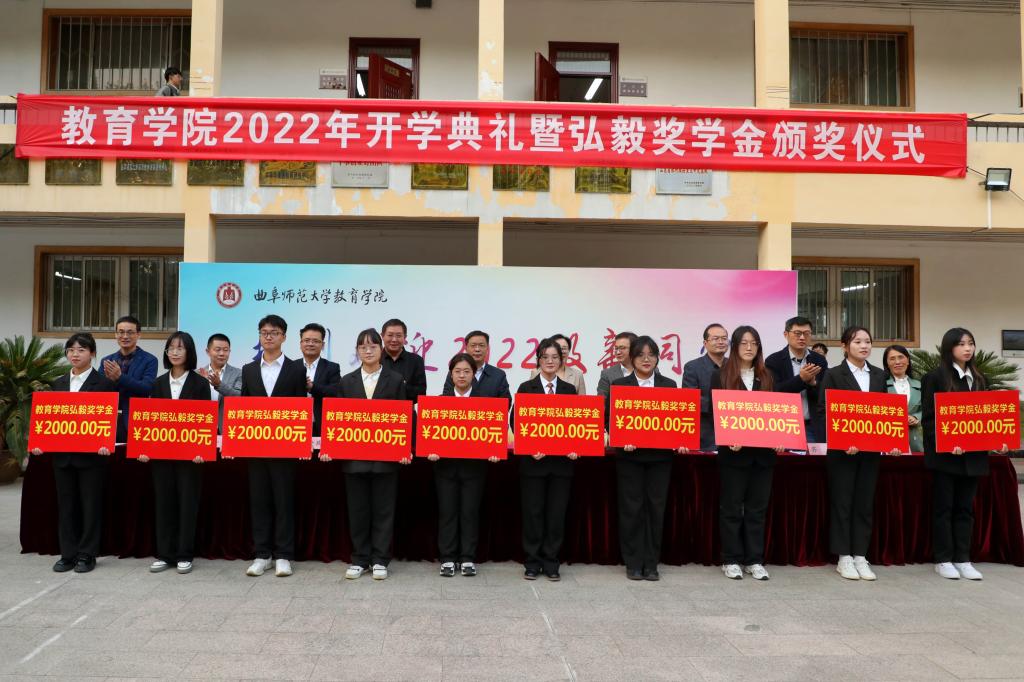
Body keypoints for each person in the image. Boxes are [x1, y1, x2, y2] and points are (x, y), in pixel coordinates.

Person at [319, 329, 410, 581]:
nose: (368, 351)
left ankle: (380, 559)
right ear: (357, 351)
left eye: (373, 347)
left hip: (386, 460)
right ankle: (359, 558)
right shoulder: (346, 381)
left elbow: (403, 417)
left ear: (381, 350)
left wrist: (404, 449)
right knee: (358, 511)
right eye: (362, 347)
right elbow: (338, 419)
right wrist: (330, 448)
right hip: (354, 461)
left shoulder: (395, 380)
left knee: (383, 511)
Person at [922, 327, 1010, 581]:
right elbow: (929, 420)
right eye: (961, 344)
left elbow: (987, 417)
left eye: (970, 343)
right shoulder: (935, 377)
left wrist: (998, 440)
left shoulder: (980, 379)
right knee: (944, 509)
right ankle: (943, 559)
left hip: (973, 457)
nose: (967, 348)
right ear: (949, 347)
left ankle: (963, 558)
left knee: (965, 509)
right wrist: (946, 441)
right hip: (946, 457)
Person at [817, 326, 900, 582]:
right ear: (844, 346)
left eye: (867, 342)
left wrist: (891, 440)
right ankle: (844, 557)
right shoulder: (833, 375)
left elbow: (885, 411)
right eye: (857, 342)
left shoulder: (879, 375)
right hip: (843, 453)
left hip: (870, 453)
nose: (864, 346)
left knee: (864, 504)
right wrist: (842, 440)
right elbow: (823, 411)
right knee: (843, 503)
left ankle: (861, 555)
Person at [31, 332, 116, 573]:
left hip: (91, 459)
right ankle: (67, 554)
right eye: (71, 350)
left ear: (92, 353)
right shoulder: (57, 384)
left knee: (90, 507)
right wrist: (40, 442)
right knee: (66, 506)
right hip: (63, 457)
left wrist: (106, 442)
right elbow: (50, 420)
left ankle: (87, 554)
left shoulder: (104, 384)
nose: (75, 354)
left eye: (81, 350)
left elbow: (109, 421)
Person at [609, 335, 686, 581]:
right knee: (631, 509)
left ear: (657, 358)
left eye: (651, 354)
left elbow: (676, 420)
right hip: (629, 458)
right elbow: (610, 419)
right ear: (632, 358)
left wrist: (681, 440)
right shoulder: (620, 385)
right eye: (640, 355)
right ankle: (633, 562)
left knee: (656, 509)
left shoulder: (669, 385)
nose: (646, 359)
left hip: (660, 459)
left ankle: (651, 563)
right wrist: (621, 437)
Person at [239, 315, 308, 578]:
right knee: (259, 501)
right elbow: (244, 408)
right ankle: (262, 554)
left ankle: (284, 555)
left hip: (285, 448)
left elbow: (301, 409)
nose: (268, 337)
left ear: (284, 337)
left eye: (274, 332)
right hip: (256, 448)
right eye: (264, 332)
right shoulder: (248, 369)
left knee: (283, 501)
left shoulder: (296, 369)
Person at [712, 326, 781, 581]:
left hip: (763, 456)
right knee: (731, 508)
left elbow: (777, 413)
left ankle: (754, 560)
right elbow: (717, 413)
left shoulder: (768, 376)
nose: (749, 348)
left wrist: (781, 438)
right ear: (735, 347)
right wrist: (729, 436)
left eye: (754, 343)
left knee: (757, 509)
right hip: (733, 455)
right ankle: (730, 559)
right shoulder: (720, 375)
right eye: (744, 343)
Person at [137, 332, 209, 575]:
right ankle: (165, 554)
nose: (175, 352)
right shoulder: (158, 383)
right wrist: (144, 448)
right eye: (171, 348)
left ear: (190, 352)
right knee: (164, 503)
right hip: (162, 457)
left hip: (190, 458)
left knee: (187, 504)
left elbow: (204, 421)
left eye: (180, 348)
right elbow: (152, 421)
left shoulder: (200, 384)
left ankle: (184, 554)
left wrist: (201, 450)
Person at [425, 353, 501, 577]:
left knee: (470, 513)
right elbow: (429, 434)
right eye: (457, 371)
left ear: (473, 374)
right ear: (451, 375)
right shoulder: (439, 402)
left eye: (466, 371)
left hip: (474, 469)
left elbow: (492, 435)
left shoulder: (485, 403)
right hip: (445, 468)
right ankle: (448, 558)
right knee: (447, 513)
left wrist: (493, 451)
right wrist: (430, 450)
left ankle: (468, 558)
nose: (461, 375)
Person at [515, 338, 579, 581]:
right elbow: (516, 422)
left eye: (555, 357)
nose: (550, 361)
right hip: (534, 463)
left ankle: (551, 561)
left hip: (561, 465)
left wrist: (575, 446)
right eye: (545, 357)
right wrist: (530, 446)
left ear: (562, 360)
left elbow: (577, 424)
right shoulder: (525, 387)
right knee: (533, 514)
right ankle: (532, 562)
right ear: (538, 360)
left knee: (556, 515)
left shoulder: (569, 390)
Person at [765, 316, 827, 443]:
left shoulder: (819, 360)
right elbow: (775, 392)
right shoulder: (773, 361)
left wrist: (813, 383)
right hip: (784, 425)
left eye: (806, 333)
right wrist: (801, 379)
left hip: (812, 426)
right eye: (797, 333)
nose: (802, 337)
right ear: (786, 334)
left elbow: (825, 394)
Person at [101, 315, 158, 444]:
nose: (125, 336)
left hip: (135, 419)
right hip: (109, 420)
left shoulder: (150, 360)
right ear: (116, 334)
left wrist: (120, 377)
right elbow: (101, 391)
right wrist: (110, 381)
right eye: (121, 332)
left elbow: (147, 388)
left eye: (130, 332)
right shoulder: (107, 360)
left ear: (138, 335)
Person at [682, 323, 729, 452]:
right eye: (715, 338)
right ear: (705, 343)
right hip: (705, 437)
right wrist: (722, 403)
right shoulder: (693, 367)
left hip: (732, 438)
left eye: (724, 338)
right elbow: (690, 400)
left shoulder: (735, 366)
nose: (721, 342)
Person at [298, 323, 340, 440]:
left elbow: (335, 392)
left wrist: (312, 387)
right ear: (301, 344)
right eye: (306, 340)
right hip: (295, 424)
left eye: (315, 341)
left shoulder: (332, 367)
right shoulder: (290, 367)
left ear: (323, 345)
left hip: (321, 426)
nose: (310, 344)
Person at [442, 330, 511, 402]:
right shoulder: (455, 373)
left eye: (481, 345)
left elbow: (506, 403)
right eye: (473, 345)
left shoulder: (498, 375)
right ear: (466, 348)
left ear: (487, 348)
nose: (477, 349)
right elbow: (446, 400)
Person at [883, 345, 924, 453]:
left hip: (916, 442)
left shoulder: (920, 385)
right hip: (891, 442)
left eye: (901, 357)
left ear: (908, 360)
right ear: (887, 363)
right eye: (892, 358)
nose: (897, 362)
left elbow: (929, 409)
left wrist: (916, 417)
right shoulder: (881, 386)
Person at [197, 333, 242, 427]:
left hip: (228, 427)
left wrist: (219, 385)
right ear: (208, 351)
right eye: (217, 350)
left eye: (226, 350)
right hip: (202, 426)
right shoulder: (197, 374)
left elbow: (239, 397)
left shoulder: (238, 373)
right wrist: (201, 384)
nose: (222, 353)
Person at [381, 318, 428, 402]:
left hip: (406, 410)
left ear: (405, 337)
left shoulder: (416, 360)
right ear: (382, 336)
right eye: (390, 335)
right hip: (379, 409)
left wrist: (399, 386)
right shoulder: (375, 360)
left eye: (398, 335)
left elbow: (421, 393)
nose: (394, 339)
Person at [597, 332, 638, 398]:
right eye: (616, 348)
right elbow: (601, 401)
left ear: (635, 349)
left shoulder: (651, 371)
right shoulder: (607, 374)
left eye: (622, 348)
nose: (618, 352)